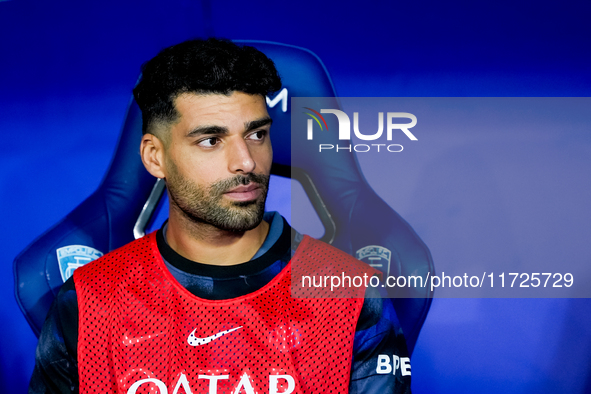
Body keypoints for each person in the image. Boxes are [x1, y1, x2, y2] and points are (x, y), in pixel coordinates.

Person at [29, 38, 412, 394]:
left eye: (257, 134)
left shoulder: (352, 295)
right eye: (211, 141)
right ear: (154, 157)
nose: (246, 161)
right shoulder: (88, 301)